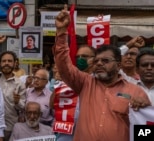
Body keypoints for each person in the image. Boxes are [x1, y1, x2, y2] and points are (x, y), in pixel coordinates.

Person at [53, 5, 150, 141]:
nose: (99, 63)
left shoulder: (136, 92)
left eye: (105, 61)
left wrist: (145, 106)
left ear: (118, 65)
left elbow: (146, 131)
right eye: (97, 60)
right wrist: (62, 32)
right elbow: (63, 65)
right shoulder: (85, 83)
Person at [0, 51, 26, 141]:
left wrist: (17, 101)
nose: (6, 63)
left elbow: (23, 106)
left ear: (14, 63)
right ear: (0, 63)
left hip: (11, 127)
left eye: (9, 61)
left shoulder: (19, 83)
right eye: (4, 61)